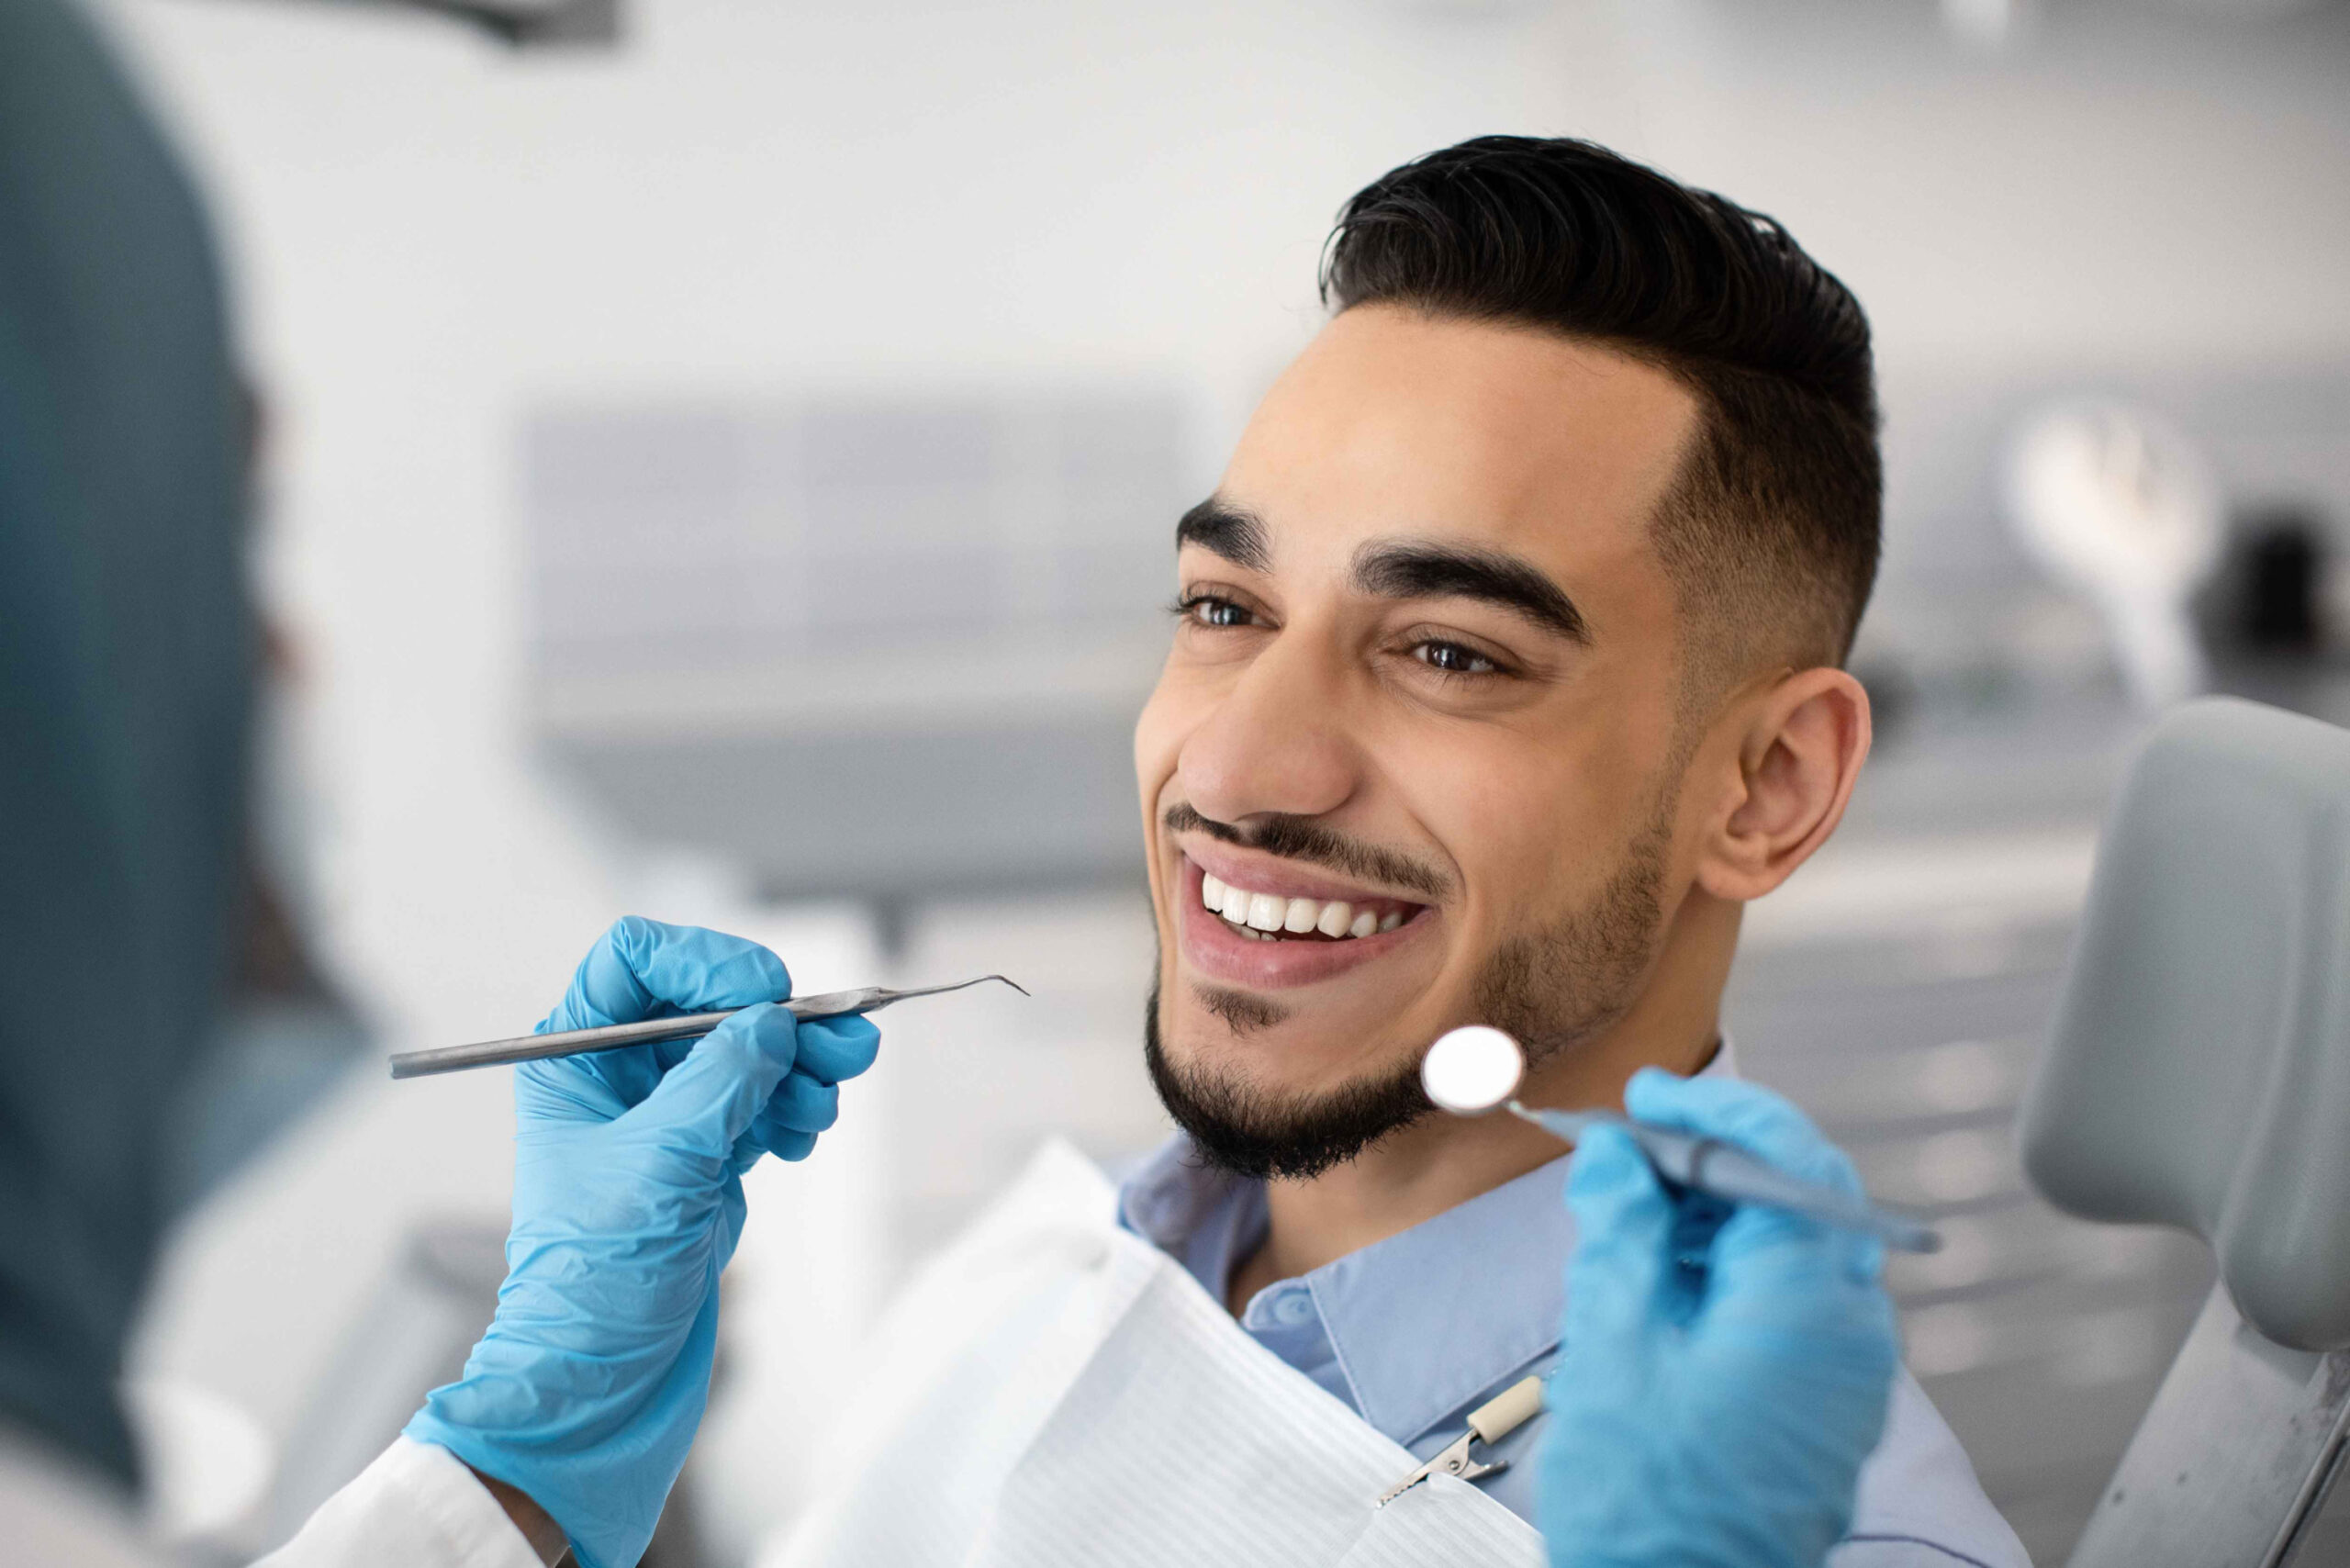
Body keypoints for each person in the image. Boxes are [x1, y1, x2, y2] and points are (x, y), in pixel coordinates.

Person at [0, 2, 2012, 1564]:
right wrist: (517, 1466)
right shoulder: (1073, 1279)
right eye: (1222, 606)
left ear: (1766, 781)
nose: (1238, 762)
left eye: (1449, 651)